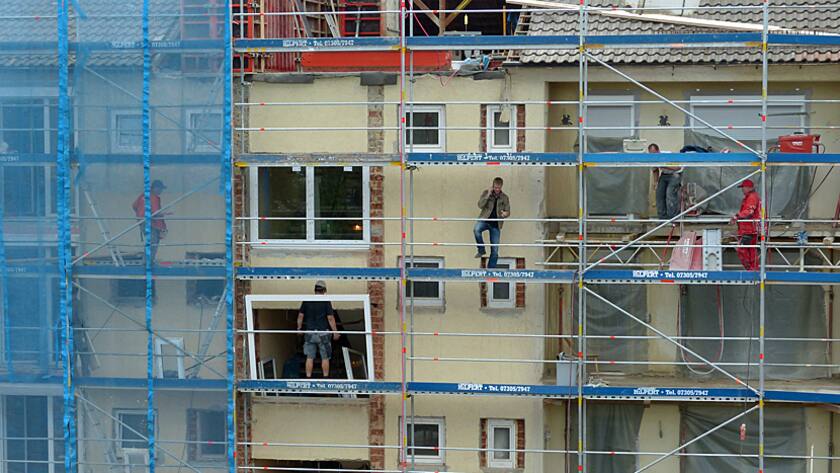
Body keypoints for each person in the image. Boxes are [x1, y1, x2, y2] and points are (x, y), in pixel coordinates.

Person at [297, 280, 340, 378]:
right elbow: (330, 318)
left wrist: (299, 329)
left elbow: (300, 316)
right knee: (325, 358)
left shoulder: (307, 300)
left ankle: (308, 378)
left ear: (315, 290)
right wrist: (335, 332)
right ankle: (325, 378)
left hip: (310, 333)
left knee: (309, 357)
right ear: (324, 290)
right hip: (323, 333)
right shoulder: (326, 301)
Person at [474, 177, 510, 268]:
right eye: (495, 187)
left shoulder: (505, 197)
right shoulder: (486, 193)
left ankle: (491, 270)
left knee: (495, 250)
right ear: (492, 186)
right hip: (485, 219)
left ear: (501, 187)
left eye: (499, 188)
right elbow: (480, 205)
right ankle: (481, 249)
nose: (497, 189)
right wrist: (488, 195)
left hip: (496, 224)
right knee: (476, 229)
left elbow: (508, 211)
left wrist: (505, 214)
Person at [132, 180, 169, 263]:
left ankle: (148, 260)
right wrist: (165, 213)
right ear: (156, 188)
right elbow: (156, 212)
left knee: (151, 241)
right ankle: (148, 261)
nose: (161, 191)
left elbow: (134, 205)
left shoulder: (143, 195)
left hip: (142, 221)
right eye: (160, 189)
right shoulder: (154, 197)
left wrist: (140, 214)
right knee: (153, 241)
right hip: (150, 223)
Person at [729, 179, 761, 271]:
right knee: (751, 250)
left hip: (749, 229)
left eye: (743, 187)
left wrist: (736, 216)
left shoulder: (751, 197)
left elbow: (749, 211)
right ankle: (753, 269)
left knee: (742, 249)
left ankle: (750, 269)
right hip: (750, 229)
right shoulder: (752, 197)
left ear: (749, 188)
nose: (742, 189)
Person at [649, 143, 683, 221]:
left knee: (670, 194)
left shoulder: (668, 155)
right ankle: (662, 218)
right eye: (651, 154)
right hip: (664, 174)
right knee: (659, 194)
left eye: (654, 153)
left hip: (675, 173)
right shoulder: (653, 158)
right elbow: (655, 170)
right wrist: (656, 182)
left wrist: (663, 165)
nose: (653, 156)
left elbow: (677, 167)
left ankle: (672, 218)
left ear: (658, 151)